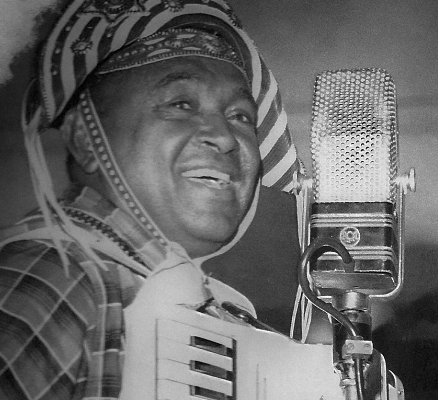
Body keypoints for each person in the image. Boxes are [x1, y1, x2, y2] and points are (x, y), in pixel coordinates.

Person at [0, 0, 301, 398]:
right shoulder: (56, 274)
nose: (225, 137)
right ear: (84, 138)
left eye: (241, 116)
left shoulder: (218, 306)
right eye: (181, 104)